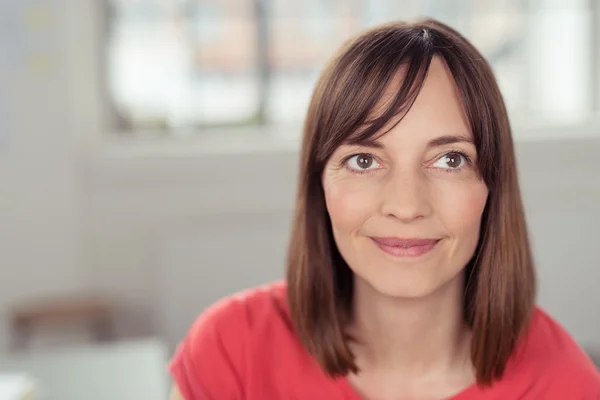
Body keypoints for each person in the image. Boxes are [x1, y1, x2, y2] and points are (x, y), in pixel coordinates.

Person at [169, 18, 600, 399]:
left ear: (492, 186)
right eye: (364, 161)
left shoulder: (566, 385)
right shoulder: (230, 351)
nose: (406, 206)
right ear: (319, 184)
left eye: (450, 159)